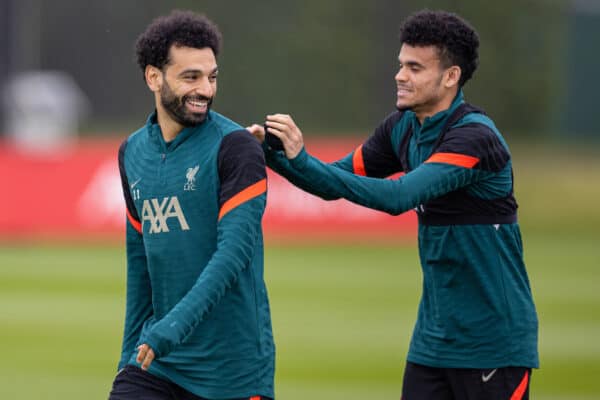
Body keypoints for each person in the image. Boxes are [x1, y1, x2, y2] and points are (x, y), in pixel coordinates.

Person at [248, 9, 538, 400]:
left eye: (415, 67)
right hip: (433, 343)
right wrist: (274, 156)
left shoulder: (474, 139)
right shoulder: (402, 127)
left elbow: (398, 197)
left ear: (451, 77)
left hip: (493, 345)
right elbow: (333, 182)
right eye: (401, 64)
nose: (400, 75)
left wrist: (300, 160)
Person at [109, 10, 274, 400]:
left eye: (211, 76)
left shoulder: (237, 148)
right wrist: (126, 360)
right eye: (190, 77)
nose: (205, 89)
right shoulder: (131, 152)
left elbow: (232, 256)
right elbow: (141, 266)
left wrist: (172, 328)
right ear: (154, 77)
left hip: (231, 374)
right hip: (157, 363)